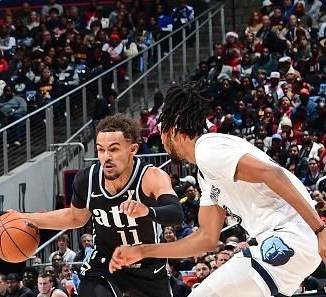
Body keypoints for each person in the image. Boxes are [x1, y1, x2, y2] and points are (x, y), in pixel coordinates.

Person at [109, 81, 325, 297]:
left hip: (289, 236)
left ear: (172, 130)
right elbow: (206, 238)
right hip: (287, 245)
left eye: (161, 132)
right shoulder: (205, 173)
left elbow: (273, 174)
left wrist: (320, 230)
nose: (161, 142)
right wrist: (142, 251)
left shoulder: (208, 149)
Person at [10, 113, 184, 297]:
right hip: (104, 263)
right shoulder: (87, 179)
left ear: (133, 149)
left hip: (147, 267)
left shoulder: (151, 177)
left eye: (114, 149)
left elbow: (176, 213)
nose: (106, 157)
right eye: (101, 150)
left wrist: (147, 210)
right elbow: (75, 217)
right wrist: (27, 218)